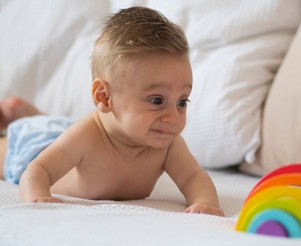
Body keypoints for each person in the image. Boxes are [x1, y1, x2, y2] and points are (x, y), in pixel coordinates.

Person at [0, 7, 224, 217]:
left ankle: (30, 115)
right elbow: (37, 169)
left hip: (69, 133)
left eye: (182, 102)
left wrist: (205, 203)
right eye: (157, 100)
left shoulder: (167, 144)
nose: (173, 117)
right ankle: (27, 119)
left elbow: (193, 176)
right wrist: (37, 198)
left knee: (58, 129)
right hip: (35, 146)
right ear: (104, 97)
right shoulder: (84, 138)